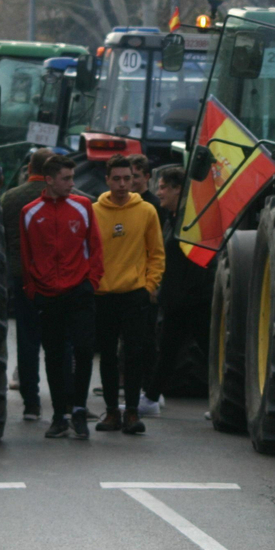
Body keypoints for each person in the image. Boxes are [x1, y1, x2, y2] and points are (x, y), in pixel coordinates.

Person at [19, 155, 103, 440]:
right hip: (47, 293)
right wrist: (33, 290)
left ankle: (79, 409)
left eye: (72, 178)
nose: (72, 184)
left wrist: (91, 281)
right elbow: (26, 254)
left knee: (82, 350)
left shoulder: (83, 207)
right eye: (66, 179)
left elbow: (95, 246)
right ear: (50, 180)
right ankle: (59, 415)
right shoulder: (30, 212)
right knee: (54, 356)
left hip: (79, 289)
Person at [92, 155, 163, 435]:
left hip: (135, 294)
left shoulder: (146, 211)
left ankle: (131, 411)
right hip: (103, 294)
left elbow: (156, 253)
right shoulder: (95, 211)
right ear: (107, 180)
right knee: (107, 356)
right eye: (117, 179)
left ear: (134, 180)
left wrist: (149, 286)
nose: (123, 184)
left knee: (134, 355)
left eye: (128, 178)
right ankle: (111, 411)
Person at [142, 164, 212, 415]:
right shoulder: (171, 221)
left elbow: (197, 265)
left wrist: (181, 296)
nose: (158, 193)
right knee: (168, 351)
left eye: (162, 188)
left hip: (192, 301)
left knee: (208, 353)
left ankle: (225, 403)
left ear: (177, 189)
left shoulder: (190, 224)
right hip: (176, 299)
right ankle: (150, 399)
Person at [1, 147, 55, 420]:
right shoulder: (76, 199)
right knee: (62, 341)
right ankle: (65, 403)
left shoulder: (10, 199)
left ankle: (31, 403)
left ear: (30, 168)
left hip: (23, 279)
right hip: (61, 280)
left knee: (28, 339)